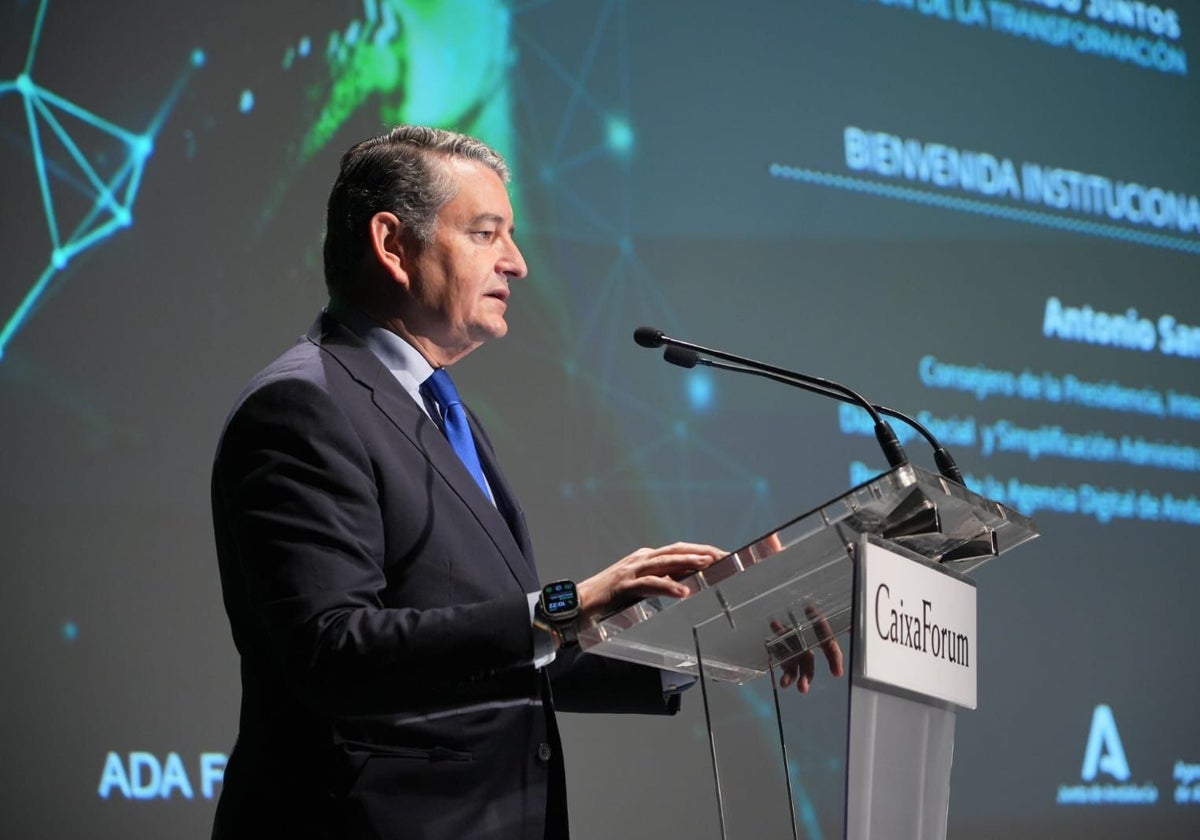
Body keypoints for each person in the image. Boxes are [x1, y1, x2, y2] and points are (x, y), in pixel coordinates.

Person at [209, 125, 730, 840]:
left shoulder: (443, 412)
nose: (516, 263)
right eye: (487, 234)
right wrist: (566, 604)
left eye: (511, 236)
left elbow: (495, 650)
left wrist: (702, 646)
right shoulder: (303, 407)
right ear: (393, 246)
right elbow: (331, 652)